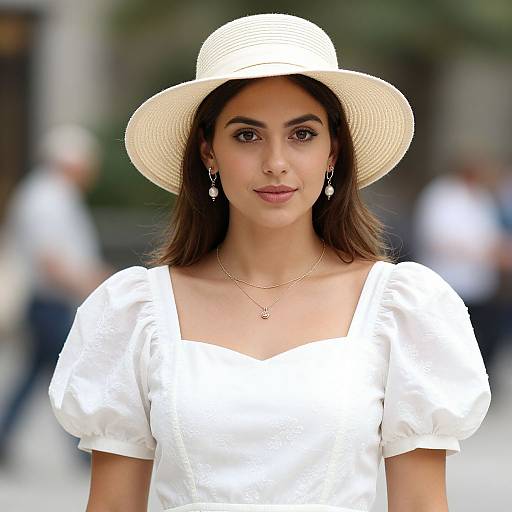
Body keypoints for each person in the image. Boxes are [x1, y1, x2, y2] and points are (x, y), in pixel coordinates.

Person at [48, 13, 491, 512]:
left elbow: (421, 505)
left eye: (302, 134)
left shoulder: (400, 307)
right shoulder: (137, 311)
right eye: (246, 135)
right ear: (207, 152)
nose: (276, 161)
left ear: (332, 153)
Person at [0, 124, 113, 465]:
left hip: (50, 302)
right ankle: (82, 449)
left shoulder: (50, 194)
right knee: (71, 375)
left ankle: (7, 437)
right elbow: (51, 262)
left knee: (42, 374)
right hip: (49, 302)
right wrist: (96, 283)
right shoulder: (48, 198)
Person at [412, 156, 511, 390]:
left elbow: (490, 233)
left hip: (478, 284)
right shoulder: (441, 195)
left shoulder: (481, 197)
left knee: (480, 336)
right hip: (449, 281)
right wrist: (483, 251)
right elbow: (438, 237)